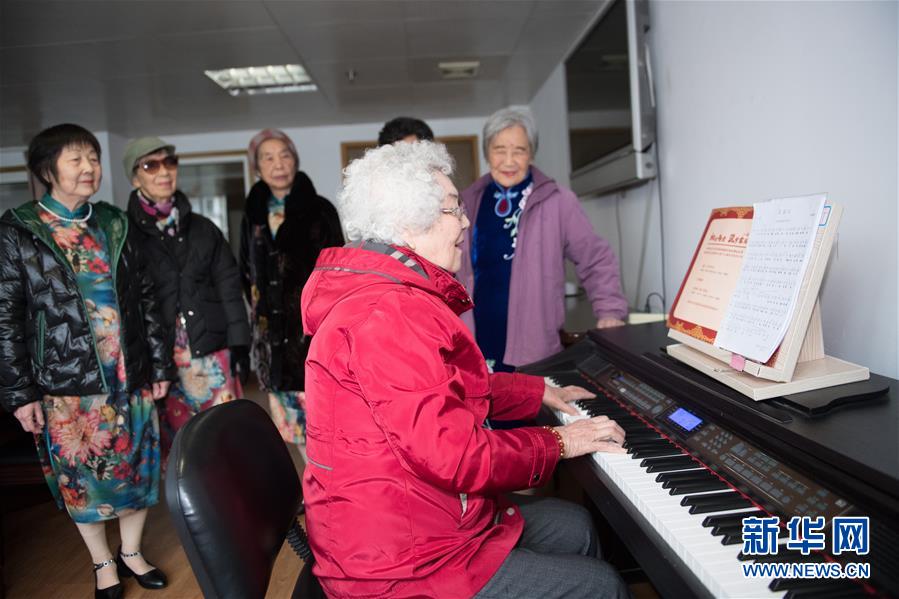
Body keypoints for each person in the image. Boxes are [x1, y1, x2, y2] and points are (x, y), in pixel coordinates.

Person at [300, 141, 629, 598]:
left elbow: (445, 389)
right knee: (602, 586)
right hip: (400, 564)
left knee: (575, 524)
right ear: (408, 224)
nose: (466, 222)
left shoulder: (390, 293)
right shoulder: (387, 314)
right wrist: (560, 441)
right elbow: (455, 456)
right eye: (454, 209)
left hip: (420, 521)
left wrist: (536, 392)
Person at [0, 124, 172, 598]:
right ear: (47, 169)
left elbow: (146, 299)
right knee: (84, 481)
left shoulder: (115, 223)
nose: (89, 167)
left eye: (93, 158)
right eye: (75, 159)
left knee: (137, 468)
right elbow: (6, 316)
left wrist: (159, 365)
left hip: (129, 374)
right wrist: (19, 394)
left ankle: (132, 552)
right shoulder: (19, 230)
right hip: (67, 382)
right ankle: (103, 563)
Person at [458, 107, 628, 372]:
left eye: (519, 150)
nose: (509, 161)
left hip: (533, 343)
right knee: (485, 397)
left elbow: (595, 258)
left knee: (530, 397)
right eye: (500, 150)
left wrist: (610, 311)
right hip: (476, 338)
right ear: (487, 152)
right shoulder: (468, 201)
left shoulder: (558, 201)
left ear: (532, 154)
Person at [123, 136, 251, 456]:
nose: (164, 171)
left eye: (170, 162)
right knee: (180, 446)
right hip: (161, 357)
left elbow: (229, 286)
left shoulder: (204, 228)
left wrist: (239, 345)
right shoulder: (125, 233)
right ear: (135, 178)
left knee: (225, 436)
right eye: (151, 165)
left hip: (212, 349)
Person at [240, 128, 343, 446]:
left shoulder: (320, 209)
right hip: (271, 339)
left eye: (284, 155)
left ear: (295, 160)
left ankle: (326, 475)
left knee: (327, 422)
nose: (278, 164)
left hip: (311, 331)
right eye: (268, 158)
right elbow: (246, 270)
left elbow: (337, 269)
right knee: (290, 426)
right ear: (257, 168)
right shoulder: (253, 215)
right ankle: (309, 476)